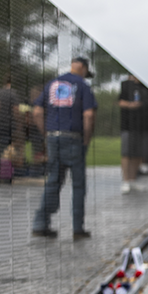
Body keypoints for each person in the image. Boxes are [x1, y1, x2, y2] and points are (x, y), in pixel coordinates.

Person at [32, 56, 97, 239]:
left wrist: (46, 133)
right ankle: (77, 228)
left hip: (54, 138)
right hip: (74, 138)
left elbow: (37, 111)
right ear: (83, 68)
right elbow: (89, 115)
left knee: (53, 180)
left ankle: (40, 223)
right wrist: (86, 139)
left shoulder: (52, 84)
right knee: (78, 184)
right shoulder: (83, 86)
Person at [118, 75, 148, 193]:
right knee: (127, 153)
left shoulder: (147, 87)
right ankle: (125, 181)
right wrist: (131, 105)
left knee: (138, 154)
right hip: (128, 126)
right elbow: (120, 102)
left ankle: (133, 180)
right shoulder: (126, 85)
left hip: (144, 126)